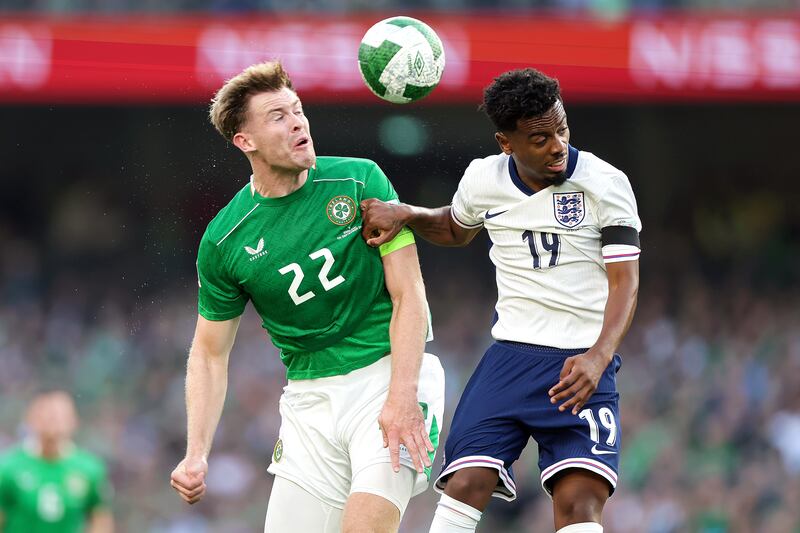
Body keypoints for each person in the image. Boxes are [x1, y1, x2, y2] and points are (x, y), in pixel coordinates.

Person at [168, 60, 445, 533]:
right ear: (245, 141)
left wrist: (401, 397)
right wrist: (196, 454)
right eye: (278, 115)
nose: (298, 122)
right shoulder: (224, 240)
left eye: (298, 110)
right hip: (308, 403)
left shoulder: (361, 181)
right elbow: (210, 354)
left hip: (388, 376)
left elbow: (410, 294)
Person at [361, 68, 641, 533]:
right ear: (505, 142)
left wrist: (599, 355)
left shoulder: (605, 184)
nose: (557, 146)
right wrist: (409, 215)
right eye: (539, 137)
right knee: (465, 484)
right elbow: (455, 227)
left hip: (581, 364)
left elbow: (625, 283)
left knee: (580, 503)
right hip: (510, 356)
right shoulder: (482, 178)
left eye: (562, 129)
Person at [0, 390, 114, 533]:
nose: (53, 422)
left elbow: (100, 518)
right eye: (47, 415)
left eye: (60, 416)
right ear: (31, 419)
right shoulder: (8, 466)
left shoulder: (89, 468)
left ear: (74, 421)